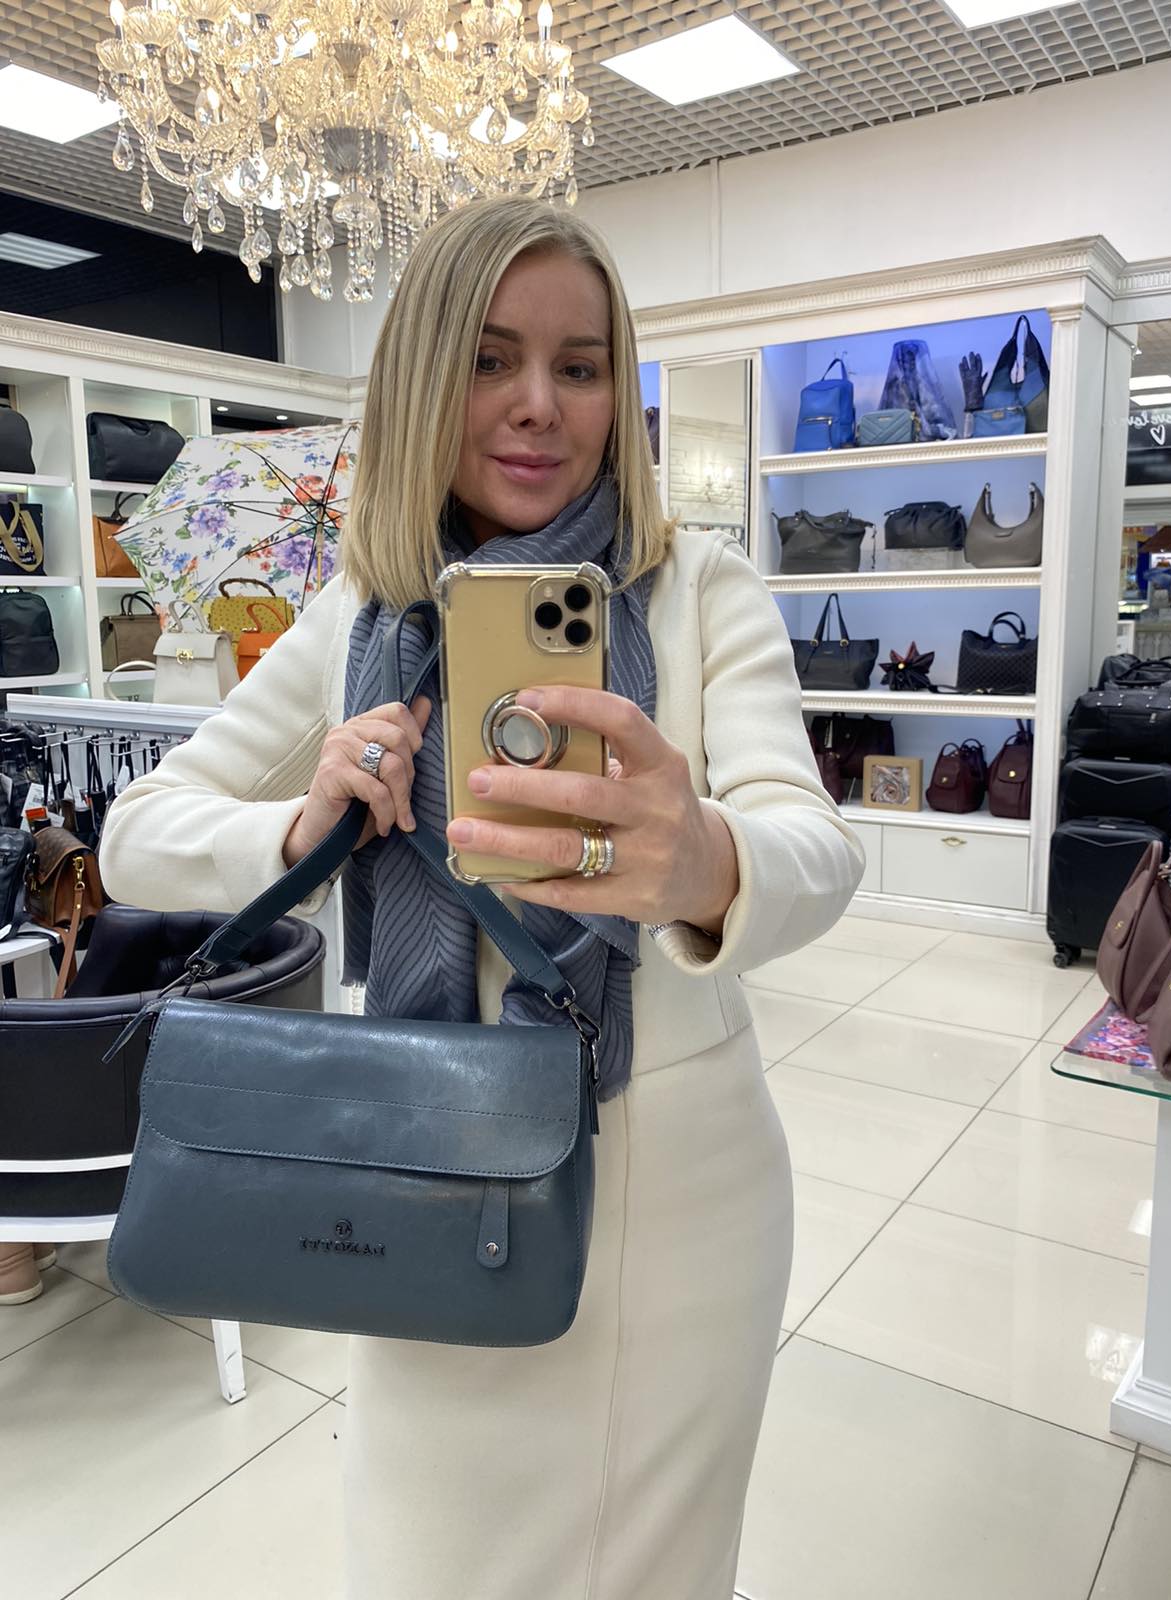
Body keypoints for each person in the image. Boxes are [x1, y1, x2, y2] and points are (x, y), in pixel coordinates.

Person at [99, 194, 864, 1600]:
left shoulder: (699, 591)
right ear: (423, 380)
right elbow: (136, 836)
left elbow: (818, 852)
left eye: (581, 367)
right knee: (421, 1557)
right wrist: (302, 822)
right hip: (420, 1173)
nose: (538, 406)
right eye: (492, 359)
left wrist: (700, 859)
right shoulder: (360, 613)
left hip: (668, 1203)